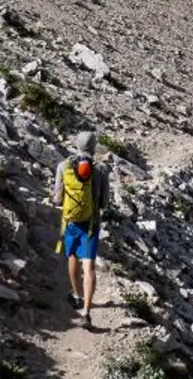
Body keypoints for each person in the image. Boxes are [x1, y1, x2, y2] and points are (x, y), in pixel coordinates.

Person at [53, 131, 110, 328]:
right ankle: (86, 312)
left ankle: (77, 295)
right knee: (89, 266)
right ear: (94, 148)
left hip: (71, 223)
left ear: (76, 144)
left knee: (72, 258)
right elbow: (104, 203)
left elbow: (57, 199)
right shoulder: (100, 169)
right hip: (91, 223)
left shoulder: (63, 166)